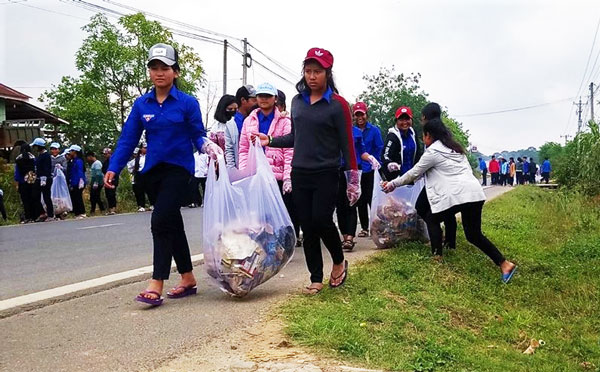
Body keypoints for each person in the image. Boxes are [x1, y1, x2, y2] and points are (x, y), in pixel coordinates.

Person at [104, 43, 222, 306]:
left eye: (165, 68)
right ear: (149, 72)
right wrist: (114, 166)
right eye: (154, 68)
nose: (159, 73)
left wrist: (207, 146)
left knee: (159, 221)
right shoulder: (141, 104)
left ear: (175, 72)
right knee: (172, 223)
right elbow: (128, 139)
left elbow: (196, 135)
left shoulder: (187, 103)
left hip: (180, 171)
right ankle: (188, 278)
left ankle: (156, 282)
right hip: (153, 172)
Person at [255, 47, 359, 294]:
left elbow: (347, 144)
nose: (312, 76)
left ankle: (337, 260)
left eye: (318, 71)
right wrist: (270, 140)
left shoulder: (338, 105)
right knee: (307, 226)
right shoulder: (297, 101)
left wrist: (353, 179)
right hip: (299, 171)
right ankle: (315, 277)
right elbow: (296, 137)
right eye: (308, 71)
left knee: (322, 220)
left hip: (326, 172)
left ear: (328, 73)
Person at [382, 118, 518, 283]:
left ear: (429, 136)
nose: (423, 140)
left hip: (458, 195)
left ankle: (437, 257)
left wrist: (392, 184)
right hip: (475, 194)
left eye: (424, 136)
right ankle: (504, 264)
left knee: (432, 218)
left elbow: (414, 173)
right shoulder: (456, 150)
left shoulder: (433, 152)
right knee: (473, 235)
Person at [238, 82, 300, 242]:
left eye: (267, 96)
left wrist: (288, 176)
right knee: (260, 215)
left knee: (282, 213)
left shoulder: (285, 121)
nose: (264, 99)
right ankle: (265, 247)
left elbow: (289, 151)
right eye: (260, 96)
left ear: (275, 99)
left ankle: (284, 245)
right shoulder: (249, 121)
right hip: (257, 174)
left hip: (277, 175)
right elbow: (244, 149)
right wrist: (245, 172)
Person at [414, 102, 457, 254]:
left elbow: (428, 159)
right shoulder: (446, 132)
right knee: (447, 212)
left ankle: (438, 241)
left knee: (423, 209)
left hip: (439, 180)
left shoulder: (431, 134)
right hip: (446, 179)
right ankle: (449, 242)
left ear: (424, 117)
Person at [336, 124, 378, 250]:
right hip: (337, 169)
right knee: (339, 204)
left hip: (353, 169)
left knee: (352, 202)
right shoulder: (333, 130)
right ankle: (344, 236)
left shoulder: (357, 132)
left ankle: (350, 237)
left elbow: (362, 152)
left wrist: (370, 158)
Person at [353, 102, 383, 238]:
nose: (360, 117)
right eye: (357, 115)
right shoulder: (352, 131)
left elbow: (379, 148)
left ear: (366, 114)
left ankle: (375, 225)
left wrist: (376, 162)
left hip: (370, 169)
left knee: (372, 198)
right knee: (360, 200)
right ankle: (364, 227)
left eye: (362, 114)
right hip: (357, 169)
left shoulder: (374, 131)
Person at [381, 106, 423, 181]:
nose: (404, 122)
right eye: (401, 119)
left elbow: (418, 153)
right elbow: (385, 155)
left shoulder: (413, 134)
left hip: (412, 177)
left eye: (407, 119)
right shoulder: (392, 136)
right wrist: (389, 164)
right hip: (397, 178)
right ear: (396, 121)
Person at [31, 137, 55, 222]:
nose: (34, 148)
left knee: (46, 197)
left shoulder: (46, 156)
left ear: (39, 146)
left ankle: (51, 215)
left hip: (46, 178)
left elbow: (46, 168)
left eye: (35, 146)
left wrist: (44, 178)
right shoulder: (40, 155)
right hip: (39, 178)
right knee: (35, 195)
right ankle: (42, 212)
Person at [14, 144, 37, 223]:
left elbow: (17, 174)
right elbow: (35, 170)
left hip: (22, 183)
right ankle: (34, 217)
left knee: (25, 200)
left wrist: (17, 184)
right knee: (32, 199)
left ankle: (27, 217)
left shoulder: (18, 159)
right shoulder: (33, 158)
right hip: (31, 182)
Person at [127, 144, 151, 212]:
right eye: (144, 148)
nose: (145, 149)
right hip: (139, 175)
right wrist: (133, 171)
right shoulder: (137, 159)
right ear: (141, 149)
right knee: (140, 191)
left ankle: (152, 204)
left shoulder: (149, 157)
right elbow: (129, 167)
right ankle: (141, 206)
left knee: (150, 190)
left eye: (146, 148)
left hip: (148, 174)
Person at [68, 145, 87, 219]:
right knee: (75, 197)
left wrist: (81, 180)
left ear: (75, 152)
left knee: (78, 197)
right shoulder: (73, 161)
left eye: (71, 151)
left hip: (78, 182)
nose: (70, 153)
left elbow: (80, 171)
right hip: (74, 182)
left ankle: (82, 212)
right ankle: (77, 213)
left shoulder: (79, 161)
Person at [102, 148, 118, 215]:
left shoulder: (113, 161)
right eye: (104, 154)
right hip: (107, 180)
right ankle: (110, 208)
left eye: (106, 154)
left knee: (112, 194)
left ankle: (113, 208)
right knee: (108, 194)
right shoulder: (105, 162)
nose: (105, 155)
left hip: (113, 179)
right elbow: (103, 170)